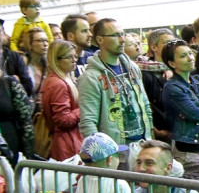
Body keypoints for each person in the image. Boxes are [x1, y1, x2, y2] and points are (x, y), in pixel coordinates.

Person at [77, 19, 154, 154]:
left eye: (122, 34)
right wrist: (100, 154)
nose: (122, 39)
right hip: (115, 151)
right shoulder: (91, 77)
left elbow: (145, 104)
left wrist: (150, 139)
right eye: (115, 35)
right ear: (100, 39)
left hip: (143, 145)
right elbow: (88, 122)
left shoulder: (132, 68)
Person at [161, 39, 199, 154]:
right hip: (190, 148)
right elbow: (196, 114)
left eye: (190, 53)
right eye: (183, 56)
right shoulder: (172, 87)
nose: (190, 58)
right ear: (172, 63)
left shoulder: (197, 79)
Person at [40, 40, 83, 160]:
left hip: (68, 141)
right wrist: (82, 109)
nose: (74, 60)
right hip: (66, 144)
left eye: (75, 56)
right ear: (57, 60)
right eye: (69, 57)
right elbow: (64, 120)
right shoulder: (58, 83)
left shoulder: (57, 80)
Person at [139, 28, 177, 141]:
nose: (172, 46)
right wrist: (156, 131)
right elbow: (142, 105)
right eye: (167, 43)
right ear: (154, 47)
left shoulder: (179, 69)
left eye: (174, 42)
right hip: (159, 134)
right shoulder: (143, 72)